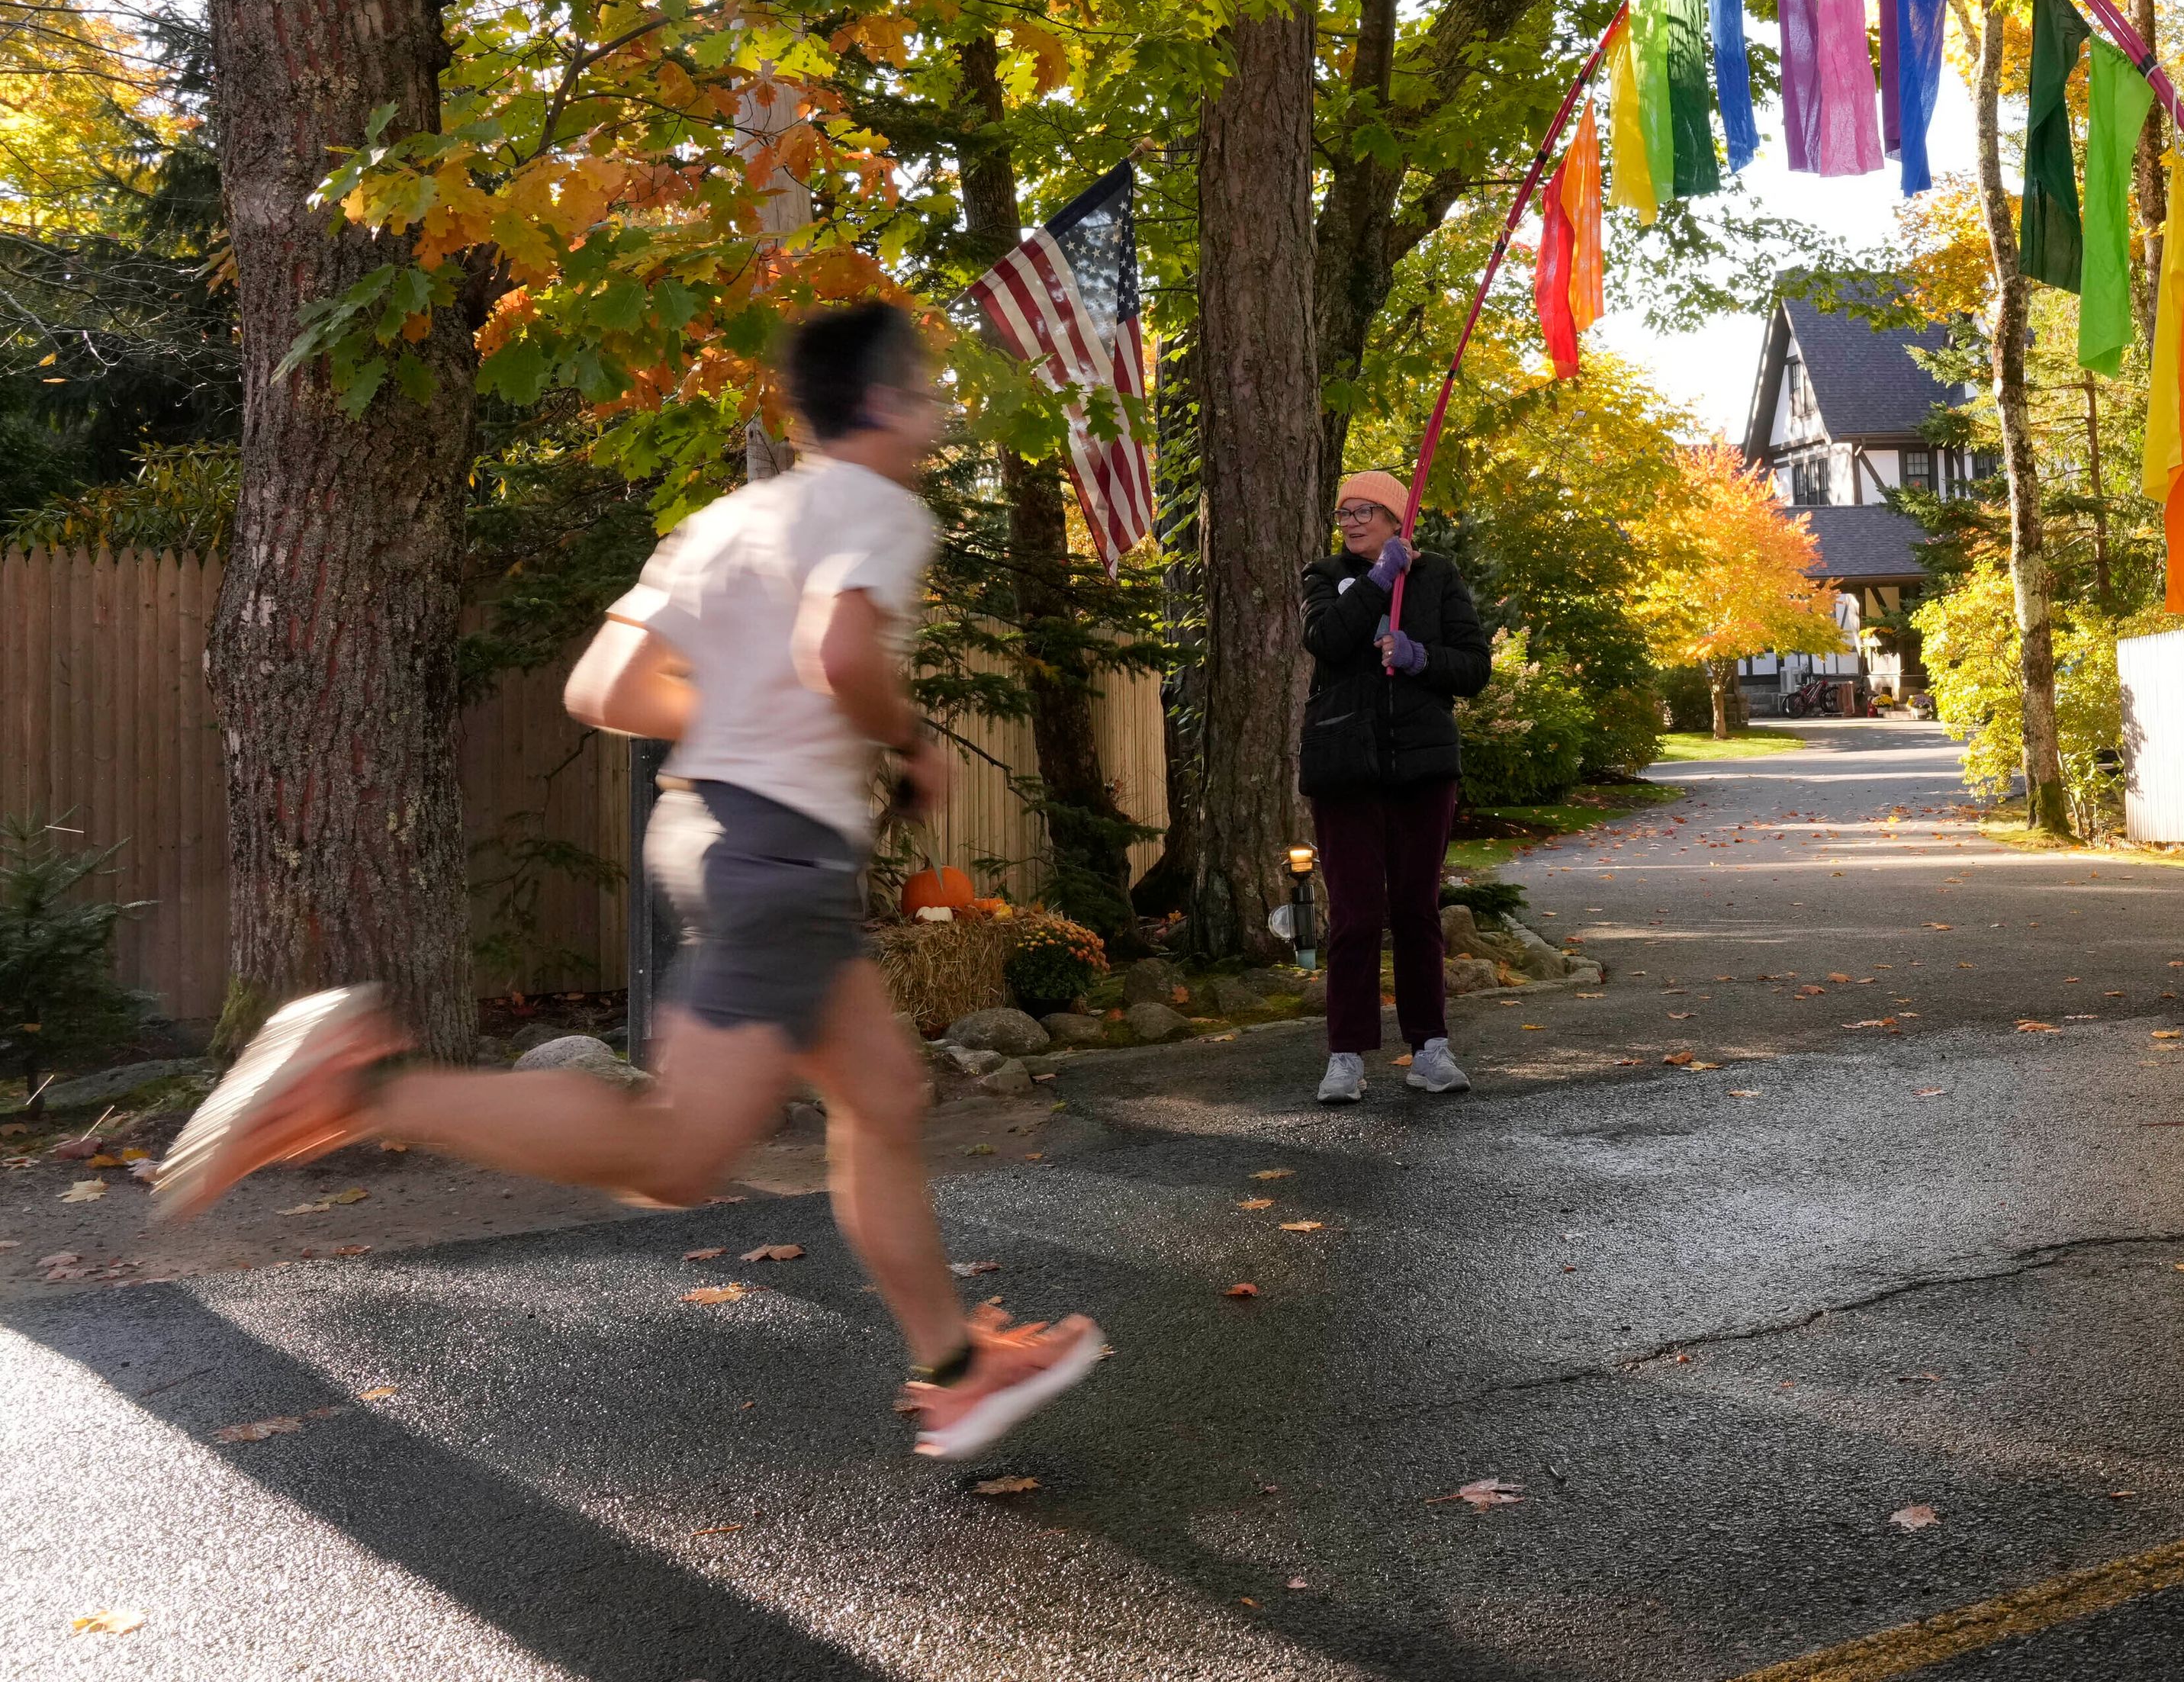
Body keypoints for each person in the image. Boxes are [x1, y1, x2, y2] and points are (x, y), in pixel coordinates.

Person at [156, 301, 1103, 1462]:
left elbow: (604, 689)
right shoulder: (879, 507)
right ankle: (360, 1087)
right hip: (778, 857)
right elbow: (844, 654)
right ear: (887, 404)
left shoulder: (724, 520)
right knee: (679, 1155)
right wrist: (908, 741)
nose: (941, 414)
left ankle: (953, 1367)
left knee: (884, 1098)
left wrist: (747, 722)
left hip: (711, 827)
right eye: (929, 393)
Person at [1298, 470, 1492, 1105]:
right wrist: (1377, 581)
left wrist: (1419, 658)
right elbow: (1325, 639)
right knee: (1354, 916)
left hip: (1422, 769)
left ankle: (1430, 1047)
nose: (1350, 520)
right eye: (1343, 511)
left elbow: (1473, 668)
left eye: (1364, 510)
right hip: (1345, 767)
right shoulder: (1324, 577)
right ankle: (1346, 1055)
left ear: (1394, 516)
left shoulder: (1436, 577)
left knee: (1416, 910)